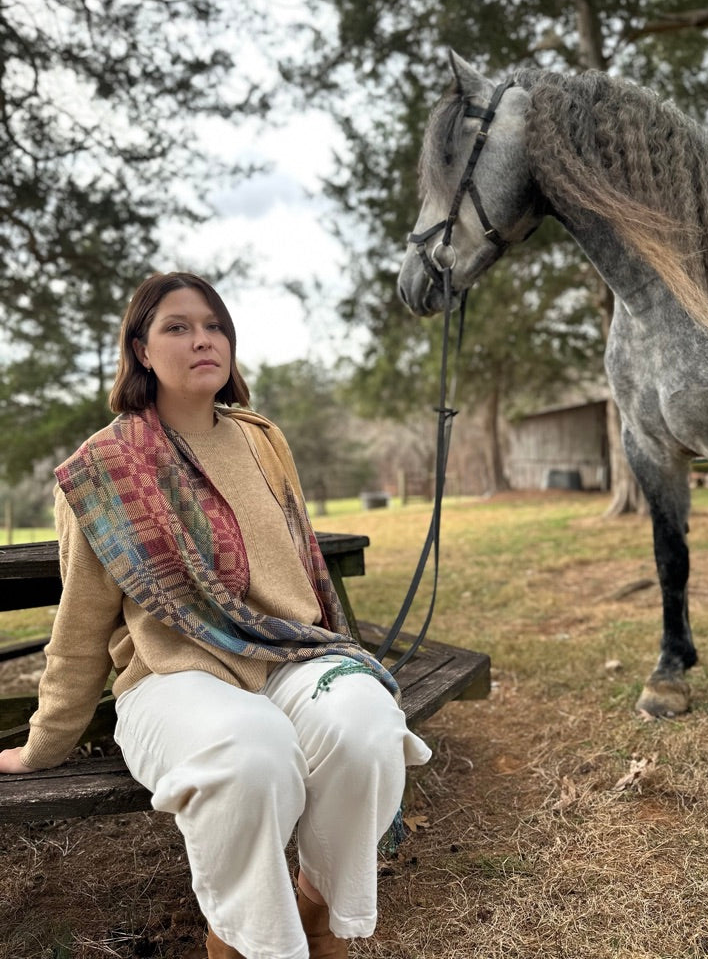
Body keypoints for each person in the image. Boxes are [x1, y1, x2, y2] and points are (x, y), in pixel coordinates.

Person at [0, 271, 431, 959]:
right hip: (174, 679)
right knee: (251, 754)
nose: (202, 339)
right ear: (140, 349)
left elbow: (303, 562)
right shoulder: (104, 471)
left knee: (367, 726)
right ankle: (244, 940)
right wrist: (44, 741)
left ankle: (317, 908)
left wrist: (337, 653)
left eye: (214, 325)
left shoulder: (263, 438)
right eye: (177, 327)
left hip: (288, 655)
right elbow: (79, 624)